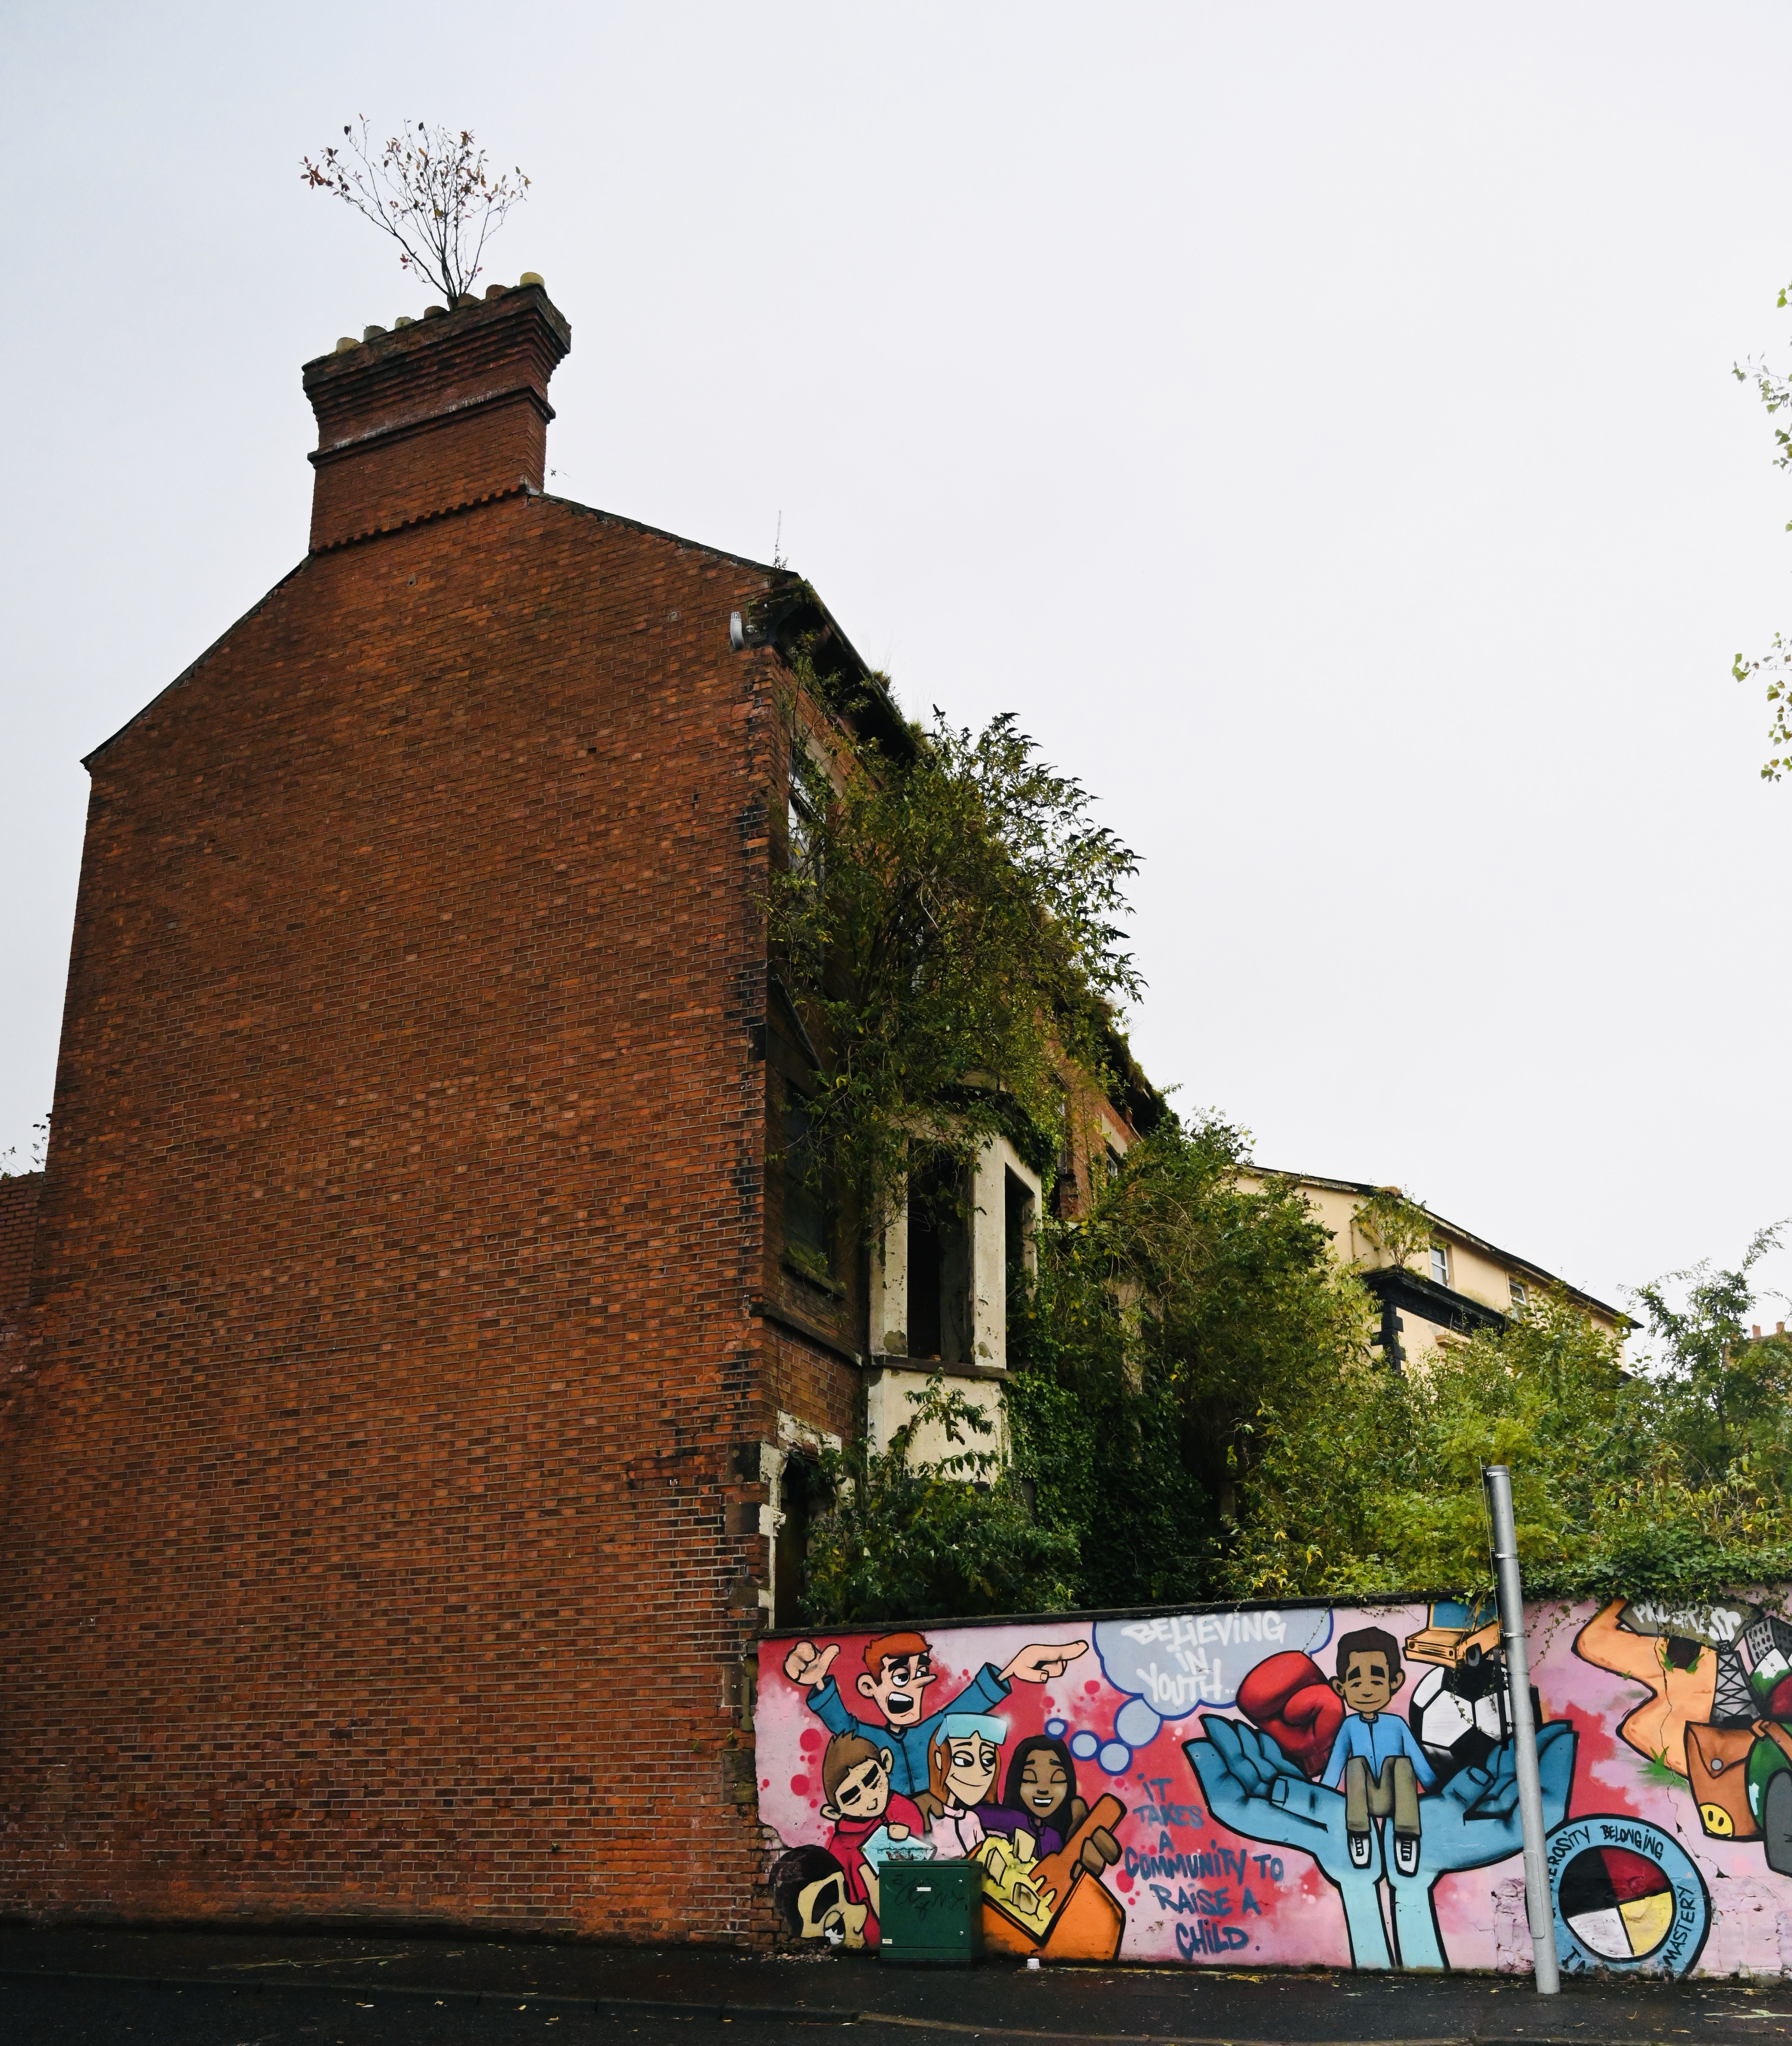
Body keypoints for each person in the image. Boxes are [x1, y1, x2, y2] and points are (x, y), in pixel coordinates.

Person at [781, 1629, 1089, 1802]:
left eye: (922, 1674)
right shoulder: (868, 1739)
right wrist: (820, 1683)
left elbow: (967, 1706)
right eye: (902, 1677)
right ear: (868, 1686)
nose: (917, 1685)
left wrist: (1011, 1669)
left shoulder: (933, 1729)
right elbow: (843, 1726)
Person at [1320, 1626, 1436, 1875]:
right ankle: (1359, 1834)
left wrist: (1438, 1790)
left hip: (1399, 1798)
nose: (1367, 1689)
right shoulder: (1350, 1726)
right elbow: (1336, 1764)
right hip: (1362, 1799)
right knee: (1355, 1764)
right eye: (1357, 1681)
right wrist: (1322, 1795)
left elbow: (1417, 1759)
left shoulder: (1396, 1724)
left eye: (1376, 1680)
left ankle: (1406, 1837)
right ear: (1341, 1687)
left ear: (1395, 1682)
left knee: (1403, 1764)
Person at [818, 1732, 930, 1943]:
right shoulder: (841, 1846)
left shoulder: (901, 1808)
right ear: (835, 1812)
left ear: (886, 1763)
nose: (870, 1800)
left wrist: (904, 1836)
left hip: (914, 1915)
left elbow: (919, 1853)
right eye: (853, 1796)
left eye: (872, 1780)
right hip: (866, 1933)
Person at [925, 1714, 1005, 1858]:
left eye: (988, 1760)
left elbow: (983, 1858)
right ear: (939, 1760)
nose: (980, 1772)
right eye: (964, 1760)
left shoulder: (972, 1819)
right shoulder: (929, 1816)